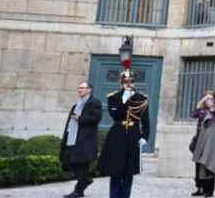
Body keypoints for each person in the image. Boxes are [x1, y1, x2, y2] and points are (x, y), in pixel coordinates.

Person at [97, 64, 149, 198]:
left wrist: (144, 136)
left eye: (131, 81)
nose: (128, 84)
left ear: (134, 82)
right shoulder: (113, 97)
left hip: (133, 135)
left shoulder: (142, 99)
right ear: (121, 83)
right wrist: (125, 98)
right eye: (125, 81)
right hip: (117, 134)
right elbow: (116, 115)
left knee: (128, 172)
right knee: (115, 170)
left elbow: (146, 120)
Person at [60, 81, 103, 198]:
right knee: (70, 161)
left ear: (89, 90)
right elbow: (70, 121)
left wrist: (80, 118)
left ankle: (78, 190)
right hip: (73, 138)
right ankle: (86, 180)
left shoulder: (94, 102)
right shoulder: (77, 104)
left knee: (81, 164)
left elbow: (96, 118)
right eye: (79, 88)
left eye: (82, 88)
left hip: (85, 139)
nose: (80, 90)